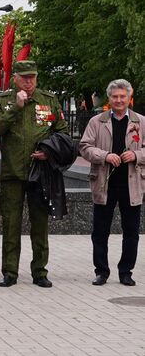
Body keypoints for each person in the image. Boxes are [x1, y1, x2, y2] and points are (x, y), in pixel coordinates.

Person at [0, 60, 68, 288]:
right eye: (24, 77)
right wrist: (16, 106)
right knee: (11, 224)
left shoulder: (49, 100)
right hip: (12, 173)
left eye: (32, 77)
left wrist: (48, 151)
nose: (28, 81)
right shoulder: (3, 100)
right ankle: (10, 272)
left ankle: (40, 272)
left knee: (40, 224)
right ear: (15, 78)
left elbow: (62, 133)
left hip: (40, 173)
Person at [79, 79, 144, 286]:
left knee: (131, 231)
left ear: (129, 98)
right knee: (100, 231)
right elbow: (85, 147)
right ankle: (102, 271)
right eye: (115, 96)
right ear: (109, 98)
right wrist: (105, 155)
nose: (118, 100)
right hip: (104, 183)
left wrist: (136, 155)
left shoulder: (140, 121)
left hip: (131, 183)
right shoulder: (97, 121)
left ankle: (126, 272)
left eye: (122, 96)